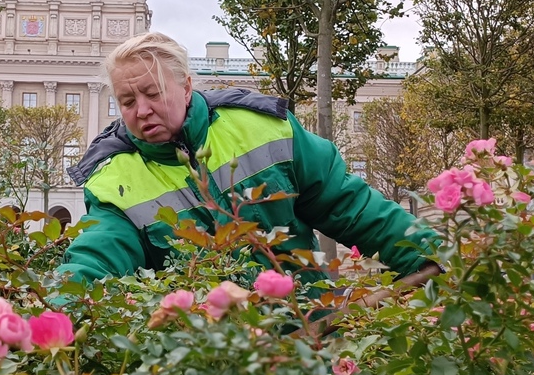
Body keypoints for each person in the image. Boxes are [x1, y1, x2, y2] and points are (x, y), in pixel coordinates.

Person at [59, 32, 439, 287]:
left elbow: (348, 205)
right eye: (127, 101)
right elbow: (97, 255)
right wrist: (60, 312)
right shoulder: (113, 178)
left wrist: (434, 257)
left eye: (152, 94)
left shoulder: (262, 128)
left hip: (309, 332)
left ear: (187, 86)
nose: (141, 111)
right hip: (208, 362)